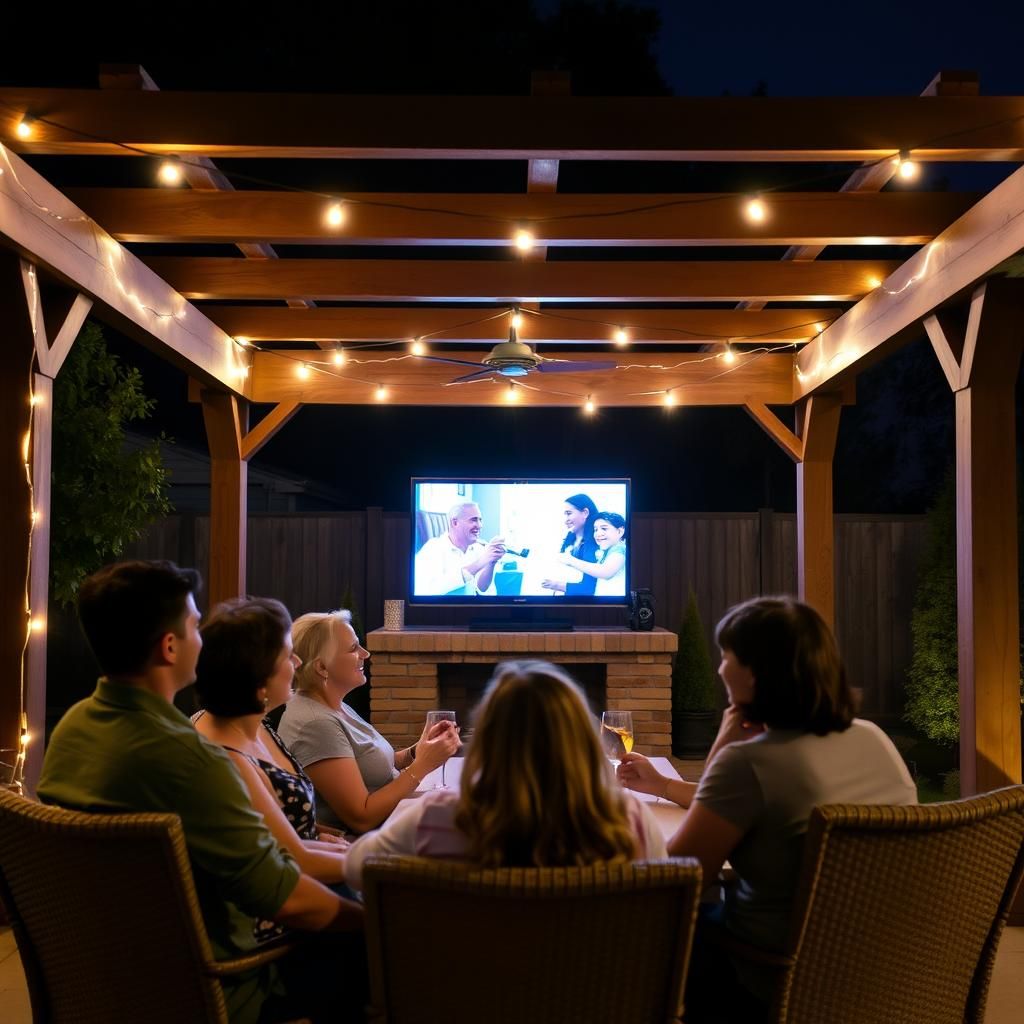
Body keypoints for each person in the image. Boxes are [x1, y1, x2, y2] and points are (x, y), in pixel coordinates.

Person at [36, 561, 364, 1024]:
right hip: (222, 982)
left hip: (106, 970)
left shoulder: (72, 730)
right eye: (194, 625)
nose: (203, 639)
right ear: (170, 647)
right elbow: (287, 898)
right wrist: (385, 923)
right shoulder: (193, 762)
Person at [619, 596, 916, 1021]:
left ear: (755, 674)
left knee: (645, 930)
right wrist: (665, 785)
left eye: (727, 656)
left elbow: (678, 877)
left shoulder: (751, 763)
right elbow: (746, 803)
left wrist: (722, 746)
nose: (720, 668)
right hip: (885, 967)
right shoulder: (873, 738)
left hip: (773, 971)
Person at [343, 660, 666, 889]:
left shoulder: (437, 817)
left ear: (487, 740)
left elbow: (356, 868)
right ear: (582, 740)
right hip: (598, 986)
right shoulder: (629, 820)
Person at [192, 597, 354, 925]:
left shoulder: (259, 725)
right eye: (286, 655)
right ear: (258, 678)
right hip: (283, 919)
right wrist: (381, 860)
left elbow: (291, 836)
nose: (296, 661)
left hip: (314, 876)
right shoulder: (227, 756)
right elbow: (295, 859)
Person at [278, 609, 459, 835]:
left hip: (395, 818)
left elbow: (369, 764)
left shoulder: (335, 705)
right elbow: (361, 818)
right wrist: (422, 766)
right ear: (322, 667)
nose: (365, 653)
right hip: (363, 841)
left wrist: (417, 751)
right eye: (354, 648)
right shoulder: (316, 725)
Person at [414, 501, 505, 595]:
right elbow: (426, 591)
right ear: (455, 523)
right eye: (473, 520)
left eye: (480, 520)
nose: (479, 525)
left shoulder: (479, 548)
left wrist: (491, 562)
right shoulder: (432, 549)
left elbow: (482, 589)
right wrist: (479, 563)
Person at [542, 493, 600, 596]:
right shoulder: (570, 539)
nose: (565, 520)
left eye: (569, 513)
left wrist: (555, 585)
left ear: (585, 513)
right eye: (564, 515)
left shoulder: (593, 544)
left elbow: (588, 589)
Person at [557, 510, 627, 596]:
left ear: (620, 531)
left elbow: (605, 572)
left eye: (604, 528)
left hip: (614, 605)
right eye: (596, 529)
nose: (598, 534)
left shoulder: (619, 548)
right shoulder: (608, 551)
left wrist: (571, 561)